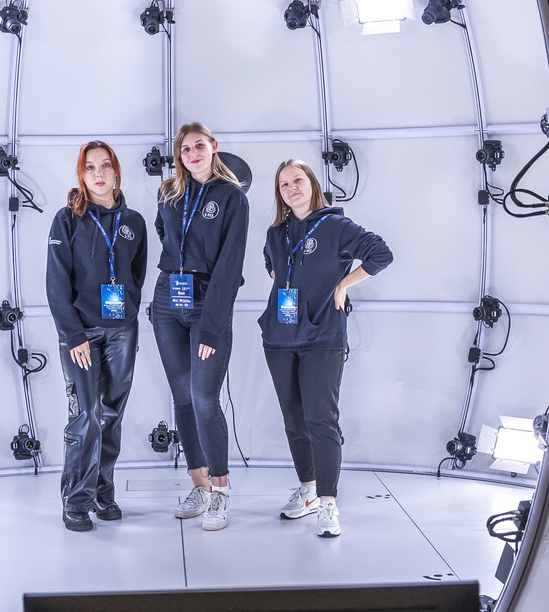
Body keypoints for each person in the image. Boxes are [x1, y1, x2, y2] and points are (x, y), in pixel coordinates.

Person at [260, 159, 392, 538]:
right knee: (294, 420)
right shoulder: (277, 232)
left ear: (312, 184)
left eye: (297, 180)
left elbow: (381, 254)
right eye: (284, 185)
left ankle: (328, 501)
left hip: (322, 337)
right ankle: (308, 489)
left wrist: (343, 285)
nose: (291, 188)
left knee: (321, 419)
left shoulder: (336, 226)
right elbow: (271, 263)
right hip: (279, 338)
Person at [46, 141, 149, 531]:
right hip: (81, 334)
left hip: (122, 332)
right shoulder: (67, 220)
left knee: (110, 416)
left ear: (116, 171)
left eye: (105, 165)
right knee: (85, 415)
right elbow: (56, 284)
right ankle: (76, 499)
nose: (99, 173)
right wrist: (74, 335)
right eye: (90, 167)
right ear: (81, 174)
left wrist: (128, 311)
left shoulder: (134, 222)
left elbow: (136, 274)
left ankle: (103, 493)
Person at [152, 123, 249, 532]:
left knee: (205, 399)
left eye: (199, 146)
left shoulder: (232, 197)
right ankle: (200, 486)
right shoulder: (169, 192)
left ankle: (221, 491)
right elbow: (164, 233)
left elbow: (230, 264)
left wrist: (211, 326)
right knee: (182, 399)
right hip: (167, 300)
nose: (192, 153)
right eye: (185, 148)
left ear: (213, 147)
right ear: (180, 155)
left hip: (208, 300)